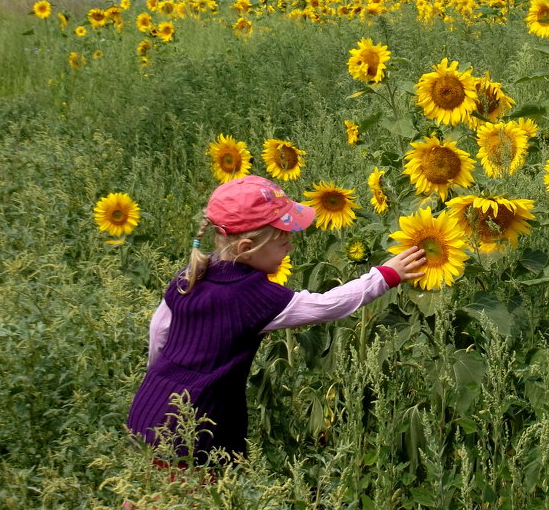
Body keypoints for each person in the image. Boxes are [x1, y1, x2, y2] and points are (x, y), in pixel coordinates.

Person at [127, 174, 425, 465]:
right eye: (282, 242)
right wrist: (385, 275)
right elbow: (326, 306)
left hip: (148, 408)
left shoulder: (190, 275)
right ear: (247, 249)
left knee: (145, 507)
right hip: (198, 428)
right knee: (197, 505)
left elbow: (159, 333)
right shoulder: (252, 296)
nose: (290, 248)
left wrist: (164, 379)